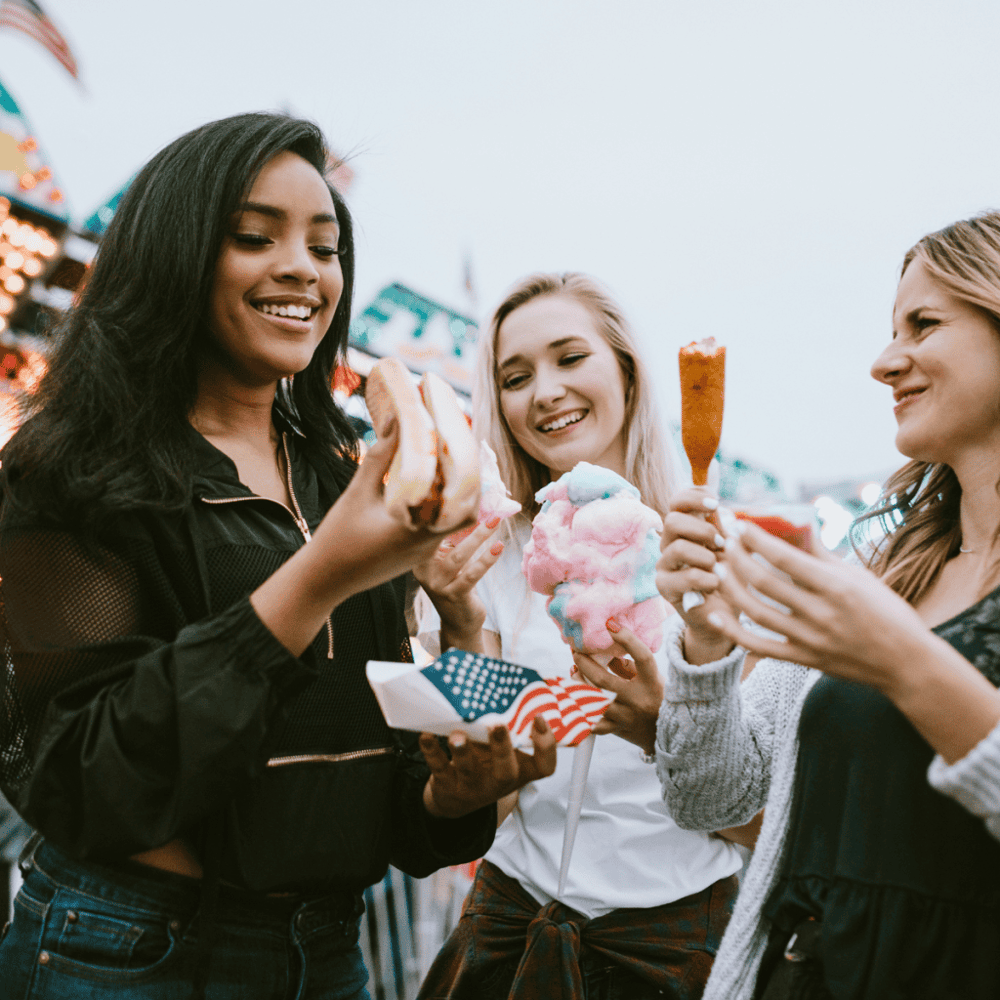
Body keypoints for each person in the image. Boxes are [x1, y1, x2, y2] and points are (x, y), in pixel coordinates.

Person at [0, 112, 555, 1000]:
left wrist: (456, 773)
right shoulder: (71, 471)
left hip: (327, 954)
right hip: (131, 952)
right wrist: (319, 576)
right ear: (173, 255)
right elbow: (83, 777)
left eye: (326, 246)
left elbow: (382, 761)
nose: (304, 268)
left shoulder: (343, 476)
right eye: (256, 237)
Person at [578, 212, 1000, 999]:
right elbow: (710, 797)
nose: (884, 362)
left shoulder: (875, 618)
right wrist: (705, 642)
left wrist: (905, 664)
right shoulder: (881, 580)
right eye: (890, 328)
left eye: (924, 324)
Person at [415, 273, 745, 1000]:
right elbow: (479, 787)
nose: (545, 391)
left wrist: (665, 727)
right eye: (515, 376)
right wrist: (460, 629)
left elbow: (760, 819)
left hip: (677, 941)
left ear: (626, 371)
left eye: (570, 358)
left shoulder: (714, 554)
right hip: (514, 923)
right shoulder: (491, 559)